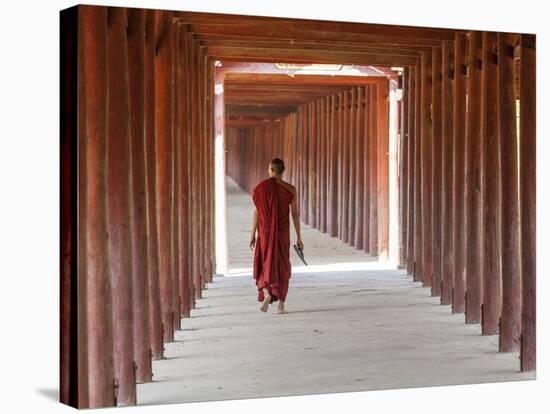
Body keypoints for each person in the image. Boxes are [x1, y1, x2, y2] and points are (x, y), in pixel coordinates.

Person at [249, 158, 303, 314]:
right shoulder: (290, 189)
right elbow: (295, 215)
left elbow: (257, 212)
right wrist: (299, 237)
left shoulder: (260, 188)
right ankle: (281, 305)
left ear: (272, 170)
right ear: (282, 171)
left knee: (264, 263)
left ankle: (266, 294)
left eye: (268, 169)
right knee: (282, 265)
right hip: (282, 234)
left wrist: (252, 234)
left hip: (265, 234)